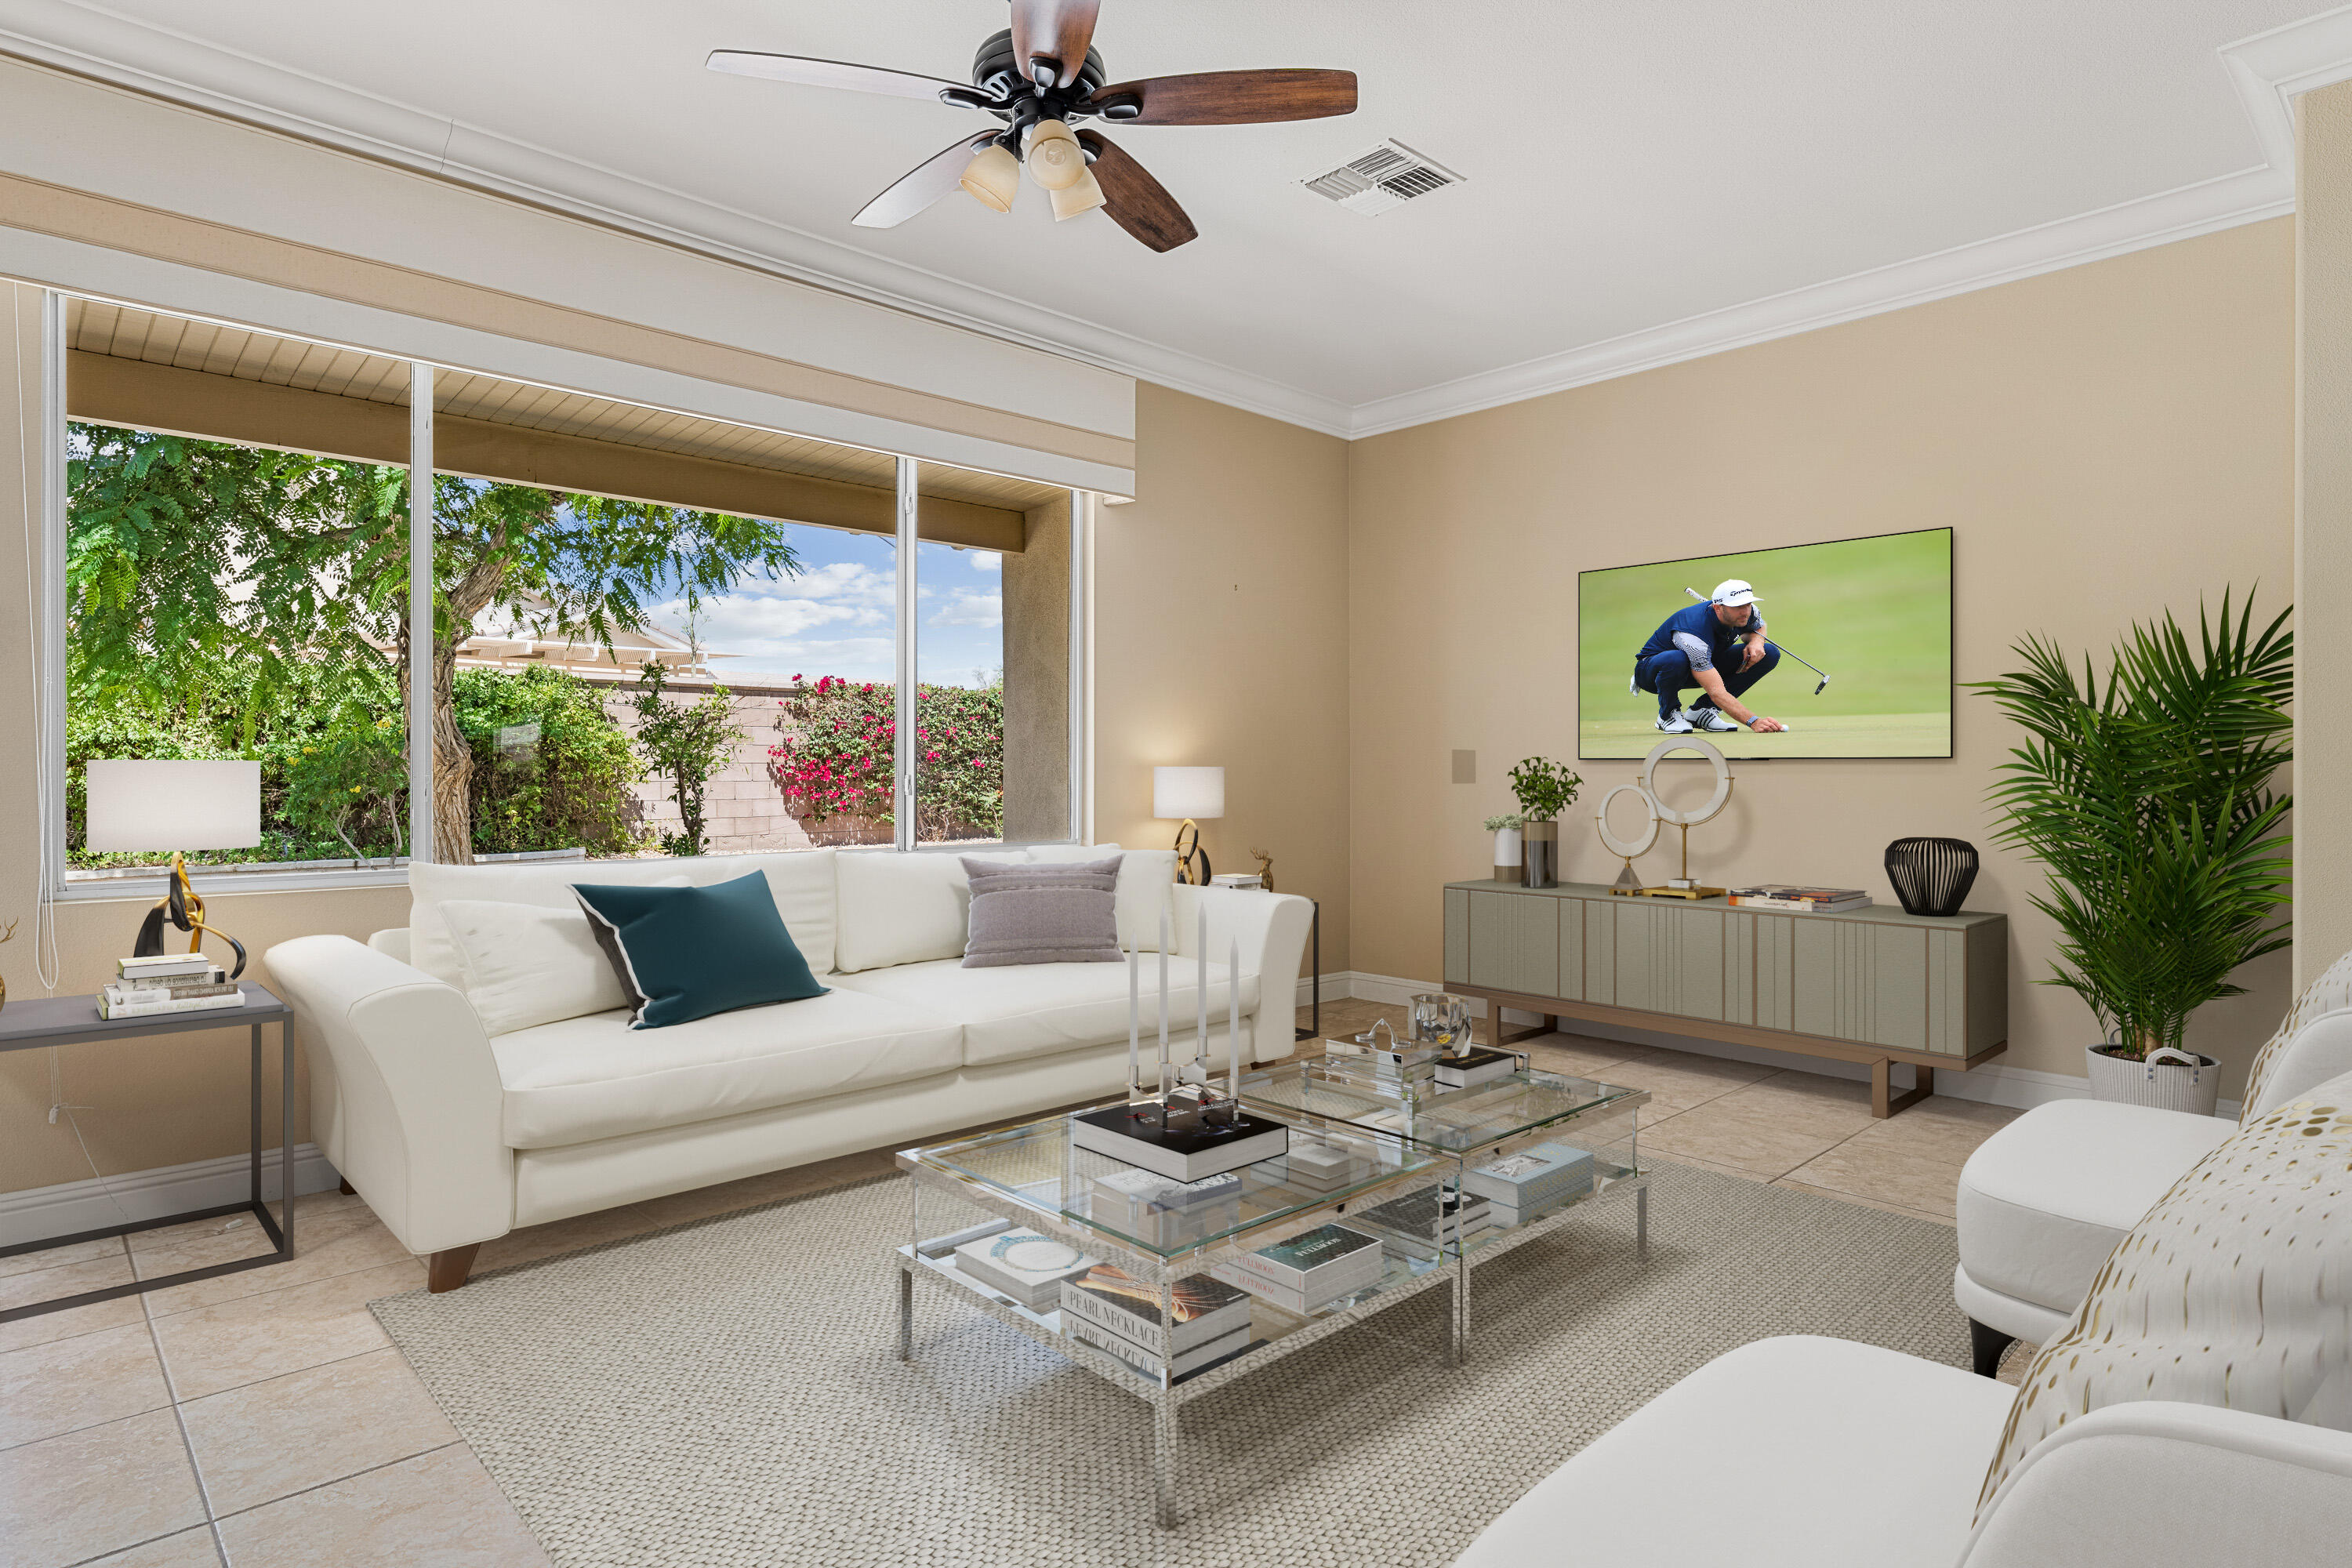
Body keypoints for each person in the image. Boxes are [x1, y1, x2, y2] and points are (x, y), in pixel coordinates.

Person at [1631, 579, 1787, 734]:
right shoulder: (1693, 635)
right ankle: (1667, 714)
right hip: (1653, 673)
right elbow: (1716, 691)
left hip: (1701, 663)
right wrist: (1754, 721)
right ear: (1718, 608)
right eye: (1738, 606)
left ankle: (1703, 711)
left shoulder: (1749, 612)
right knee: (1676, 659)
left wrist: (1757, 641)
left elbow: (1759, 626)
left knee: (1769, 653)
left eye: (1747, 604)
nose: (1745, 611)